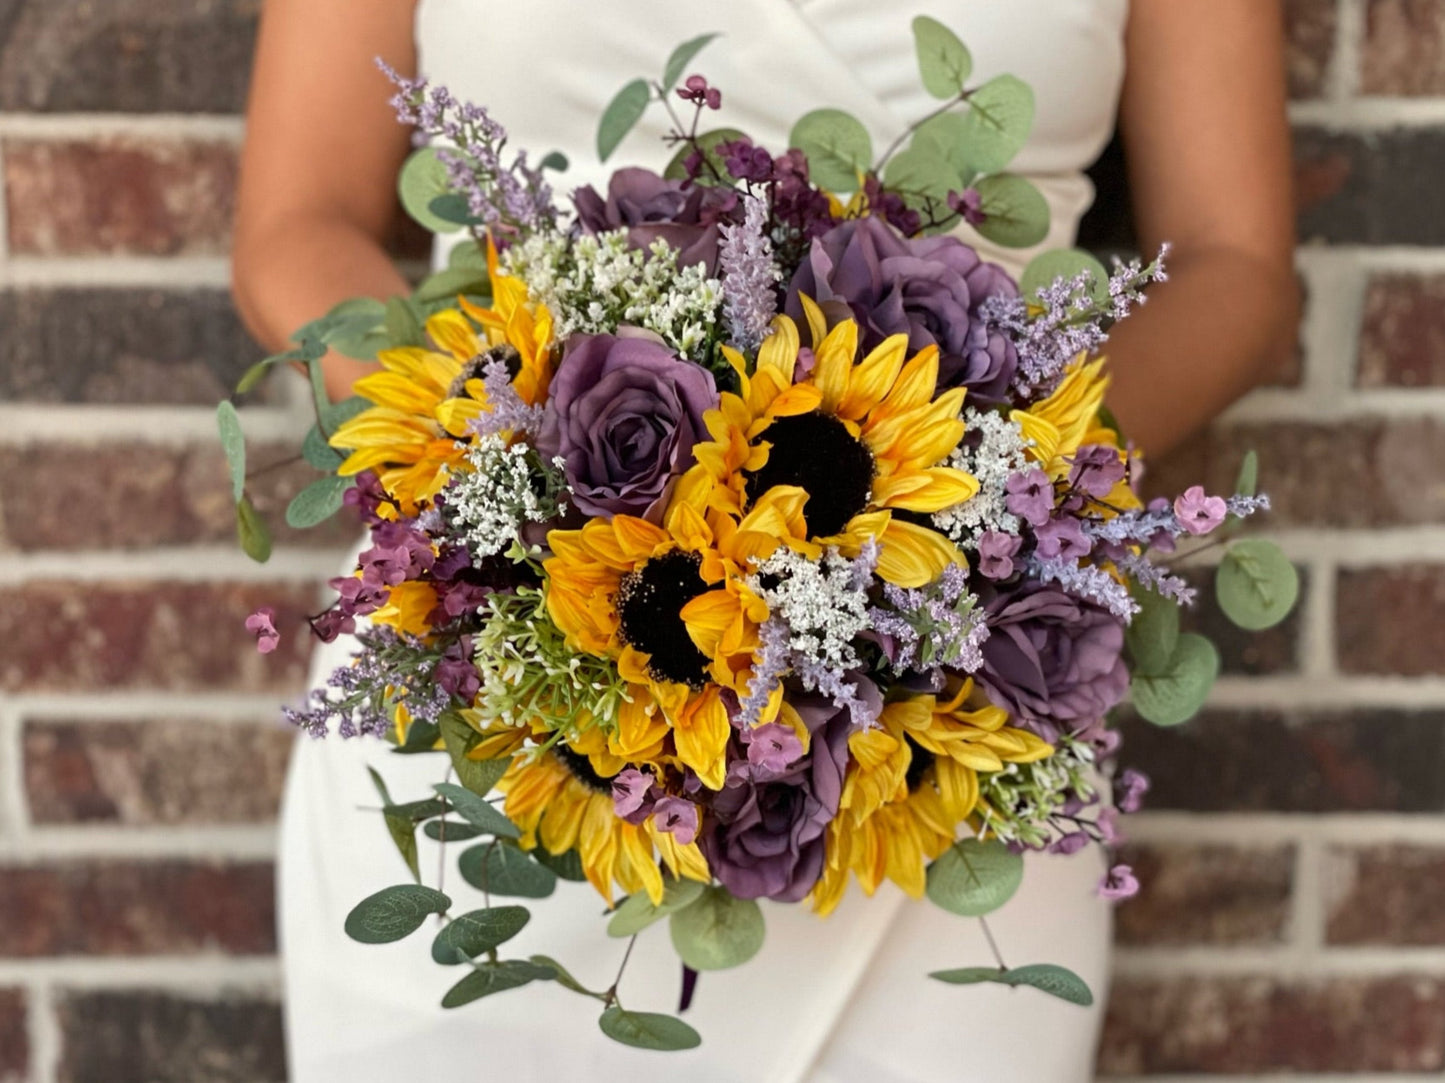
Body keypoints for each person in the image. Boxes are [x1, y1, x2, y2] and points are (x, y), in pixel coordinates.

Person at [232, 2, 1298, 1080]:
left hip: (953, 719)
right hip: (507, 707)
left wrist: (992, 490)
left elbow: (1235, 267)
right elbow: (296, 223)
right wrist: (523, 466)